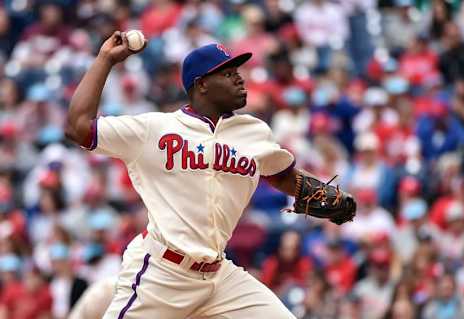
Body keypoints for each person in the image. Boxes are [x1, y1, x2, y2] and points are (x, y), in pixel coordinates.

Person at [65, 31, 355, 318]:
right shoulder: (153, 129)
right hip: (162, 274)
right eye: (227, 73)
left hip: (220, 278)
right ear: (202, 84)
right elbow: (77, 127)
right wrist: (105, 59)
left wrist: (325, 195)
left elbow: (281, 175)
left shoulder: (253, 132)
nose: (239, 78)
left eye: (237, 71)